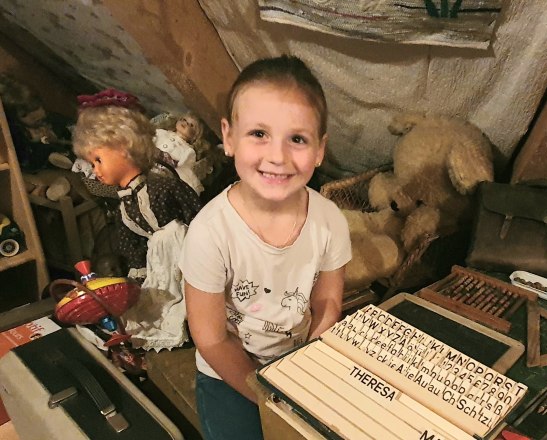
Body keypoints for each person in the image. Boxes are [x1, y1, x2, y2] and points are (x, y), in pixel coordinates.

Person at [179, 55, 351, 439]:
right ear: (228, 136)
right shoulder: (209, 232)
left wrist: (305, 372)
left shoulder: (330, 220)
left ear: (320, 149)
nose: (277, 156)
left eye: (297, 139)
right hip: (228, 373)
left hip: (298, 361)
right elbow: (210, 337)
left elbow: (328, 304)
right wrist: (270, 397)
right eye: (259, 133)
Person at [72, 89, 202, 350]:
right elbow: (129, 238)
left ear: (125, 149)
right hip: (158, 261)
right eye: (91, 163)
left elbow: (195, 210)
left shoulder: (162, 184)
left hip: (187, 252)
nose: (94, 170)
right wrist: (136, 266)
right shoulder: (125, 202)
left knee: (188, 298)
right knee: (156, 303)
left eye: (98, 160)